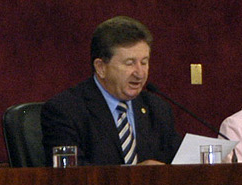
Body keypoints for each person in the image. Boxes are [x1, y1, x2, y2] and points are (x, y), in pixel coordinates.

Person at [40, 16, 179, 165]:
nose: (140, 73)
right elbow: (71, 175)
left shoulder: (157, 109)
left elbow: (174, 163)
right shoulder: (65, 110)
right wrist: (135, 177)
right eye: (129, 63)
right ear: (101, 67)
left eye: (144, 62)